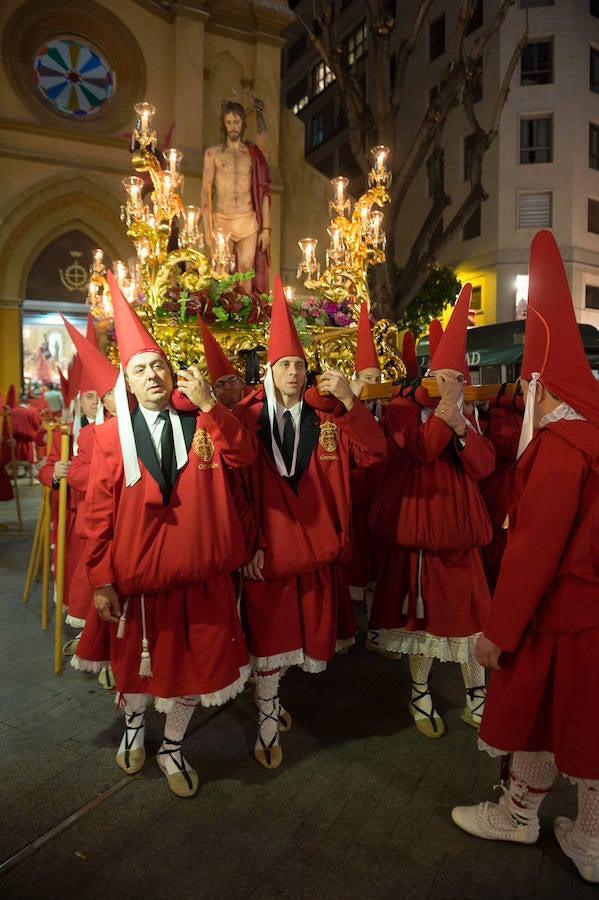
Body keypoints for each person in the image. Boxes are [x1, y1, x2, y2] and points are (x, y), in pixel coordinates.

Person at [451, 230, 599, 885]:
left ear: (543, 386)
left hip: (563, 615)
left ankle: (578, 839)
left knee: (567, 724)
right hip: (581, 613)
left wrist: (497, 633)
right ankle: (529, 815)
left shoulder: (560, 451)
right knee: (564, 719)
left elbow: (533, 551)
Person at [75, 272, 255, 798]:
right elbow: (96, 518)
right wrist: (103, 581)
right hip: (140, 584)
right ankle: (133, 726)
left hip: (200, 577)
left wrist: (208, 406)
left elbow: (243, 456)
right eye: (140, 369)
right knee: (136, 670)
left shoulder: (201, 424)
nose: (152, 374)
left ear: (171, 372)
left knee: (196, 671)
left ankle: (173, 745)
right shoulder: (110, 438)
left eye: (158, 365)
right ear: (126, 384)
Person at [235, 276, 387, 769]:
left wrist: (351, 403)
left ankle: (273, 705)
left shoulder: (328, 420)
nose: (295, 373)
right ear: (270, 370)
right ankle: (265, 719)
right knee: (268, 644)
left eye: (301, 365)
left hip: (316, 554)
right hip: (269, 553)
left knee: (298, 643)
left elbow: (375, 452)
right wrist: (249, 544)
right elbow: (232, 490)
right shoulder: (246, 421)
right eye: (286, 365)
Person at [369, 285, 495, 737]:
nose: (454, 385)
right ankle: (419, 692)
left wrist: (462, 424)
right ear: (429, 374)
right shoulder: (403, 406)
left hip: (459, 528)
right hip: (420, 524)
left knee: (471, 616)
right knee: (421, 621)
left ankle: (476, 695)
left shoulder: (465, 414)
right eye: (446, 376)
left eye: (459, 378)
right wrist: (446, 412)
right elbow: (422, 452)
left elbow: (483, 466)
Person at [201, 99, 271, 295]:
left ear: (243, 124)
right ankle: (222, 318)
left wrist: (266, 229)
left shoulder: (251, 154)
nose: (233, 126)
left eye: (237, 121)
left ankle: (244, 317)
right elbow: (205, 191)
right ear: (223, 124)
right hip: (222, 220)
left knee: (246, 271)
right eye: (229, 122)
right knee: (222, 271)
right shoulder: (212, 154)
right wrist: (207, 228)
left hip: (247, 220)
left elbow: (264, 189)